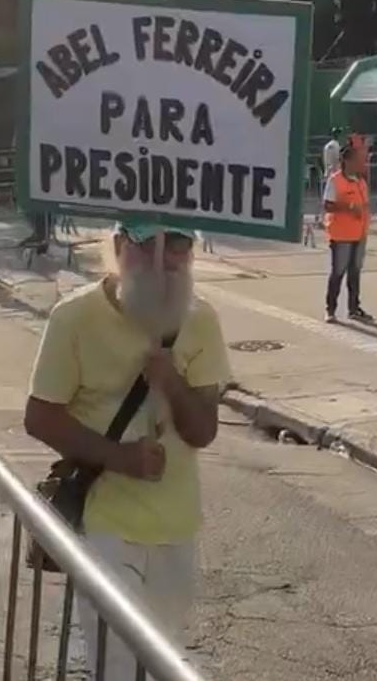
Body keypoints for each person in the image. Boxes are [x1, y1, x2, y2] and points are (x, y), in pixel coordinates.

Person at [24, 221, 228, 679]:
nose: (165, 258)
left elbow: (203, 432)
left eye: (178, 243)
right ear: (118, 247)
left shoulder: (201, 320)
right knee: (114, 668)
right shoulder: (74, 317)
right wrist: (119, 459)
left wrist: (172, 382)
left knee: (160, 663)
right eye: (147, 244)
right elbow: (40, 415)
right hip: (105, 523)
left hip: (176, 525)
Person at [323, 145, 373, 323]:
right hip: (341, 235)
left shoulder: (360, 181)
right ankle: (330, 309)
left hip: (359, 234)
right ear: (347, 161)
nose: (362, 163)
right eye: (358, 160)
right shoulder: (335, 180)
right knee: (338, 271)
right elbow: (328, 205)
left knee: (355, 272)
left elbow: (365, 205)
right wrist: (348, 207)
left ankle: (354, 308)